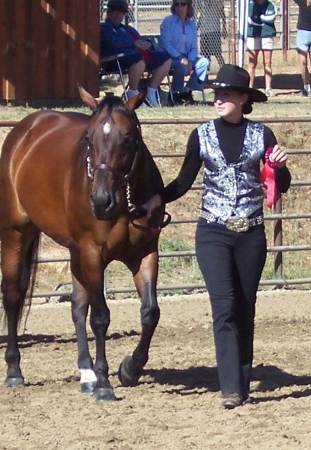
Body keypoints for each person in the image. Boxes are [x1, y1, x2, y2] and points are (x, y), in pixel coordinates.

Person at [141, 64, 291, 409]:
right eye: (217, 94)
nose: (218, 99)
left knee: (245, 306)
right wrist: (154, 200)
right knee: (223, 307)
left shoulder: (262, 135)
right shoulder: (201, 134)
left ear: (242, 98)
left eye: (226, 94)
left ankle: (242, 377)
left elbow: (278, 186)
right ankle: (231, 388)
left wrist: (281, 168)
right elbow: (182, 181)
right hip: (213, 232)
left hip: (251, 233)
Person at [100, 0, 172, 107]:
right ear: (108, 12)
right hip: (116, 59)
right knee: (138, 59)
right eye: (114, 11)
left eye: (121, 12)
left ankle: (151, 91)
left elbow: (140, 40)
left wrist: (148, 43)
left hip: (137, 57)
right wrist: (134, 44)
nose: (117, 14)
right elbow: (113, 43)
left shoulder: (128, 29)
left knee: (166, 58)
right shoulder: (104, 28)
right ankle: (133, 93)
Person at [159, 0, 210, 105]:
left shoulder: (192, 25)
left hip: (187, 57)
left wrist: (191, 60)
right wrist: (180, 57)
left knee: (204, 62)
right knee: (181, 65)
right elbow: (166, 44)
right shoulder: (168, 22)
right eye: (177, 4)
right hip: (169, 58)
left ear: (188, 6)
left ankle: (187, 91)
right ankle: (174, 93)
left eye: (183, 4)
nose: (180, 7)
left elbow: (194, 47)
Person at [246, 0, 277, 97]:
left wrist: (259, 18)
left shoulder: (270, 5)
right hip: (252, 35)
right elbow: (249, 20)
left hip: (267, 35)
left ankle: (268, 88)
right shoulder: (249, 5)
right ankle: (249, 87)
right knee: (252, 63)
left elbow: (271, 18)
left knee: (267, 63)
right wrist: (263, 19)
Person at [197, 0, 227, 68]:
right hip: (204, 30)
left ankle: (224, 71)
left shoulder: (217, 1)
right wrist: (198, 26)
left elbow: (222, 13)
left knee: (218, 54)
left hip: (215, 29)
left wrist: (224, 28)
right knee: (206, 56)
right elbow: (201, 14)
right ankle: (206, 75)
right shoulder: (201, 2)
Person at [293, 0, 311, 97]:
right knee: (303, 63)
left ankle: (306, 87)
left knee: (303, 63)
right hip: (303, 32)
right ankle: (306, 87)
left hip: (303, 33)